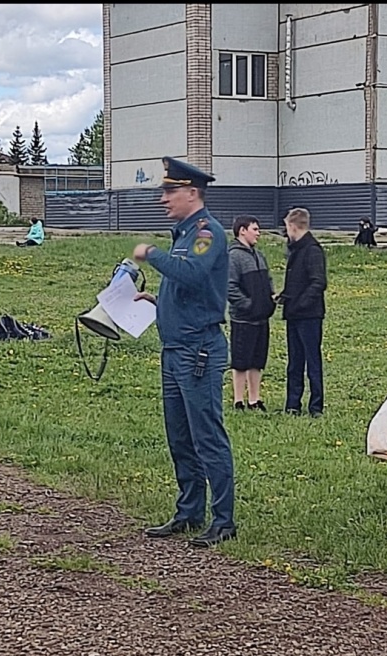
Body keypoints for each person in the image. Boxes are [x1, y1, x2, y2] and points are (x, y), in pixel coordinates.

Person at [131, 156, 237, 549]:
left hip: (198, 351)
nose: (163, 198)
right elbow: (191, 289)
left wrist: (151, 254)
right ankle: (190, 510)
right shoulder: (184, 232)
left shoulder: (206, 232)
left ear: (192, 192)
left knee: (206, 434)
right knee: (179, 436)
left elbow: (192, 272)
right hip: (175, 349)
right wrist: (158, 300)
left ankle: (223, 520)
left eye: (170, 191)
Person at [276, 207, 327, 417]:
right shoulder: (296, 249)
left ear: (293, 226)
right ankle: (292, 404)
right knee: (294, 361)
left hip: (309, 315)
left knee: (312, 361)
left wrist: (299, 303)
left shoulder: (312, 250)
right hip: (295, 314)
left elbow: (318, 282)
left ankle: (316, 406)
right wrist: (285, 296)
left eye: (287, 227)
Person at [227, 214, 276, 412]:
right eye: (255, 229)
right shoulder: (233, 257)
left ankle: (255, 399)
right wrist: (247, 305)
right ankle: (238, 400)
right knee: (241, 360)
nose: (258, 233)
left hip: (261, 318)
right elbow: (229, 287)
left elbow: (268, 280)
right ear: (242, 231)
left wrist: (269, 299)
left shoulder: (259, 255)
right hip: (243, 319)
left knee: (257, 360)